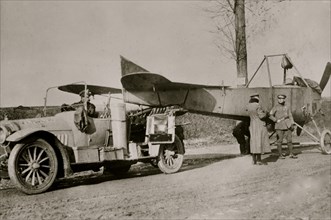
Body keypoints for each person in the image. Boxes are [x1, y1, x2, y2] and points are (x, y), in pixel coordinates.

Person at [269, 94, 297, 159]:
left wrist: (292, 123)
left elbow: (290, 115)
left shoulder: (287, 107)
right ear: (278, 99)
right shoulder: (275, 107)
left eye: (282, 98)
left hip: (287, 126)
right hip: (279, 126)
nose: (280, 100)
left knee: (289, 141)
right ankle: (280, 155)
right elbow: (270, 115)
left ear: (284, 99)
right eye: (279, 98)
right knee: (279, 141)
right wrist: (275, 120)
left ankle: (291, 154)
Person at [246, 93, 270, 165]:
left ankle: (254, 160)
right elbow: (261, 116)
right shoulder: (258, 105)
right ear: (257, 98)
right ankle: (259, 160)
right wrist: (266, 113)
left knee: (254, 142)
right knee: (259, 141)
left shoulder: (248, 106)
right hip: (259, 124)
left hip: (252, 124)